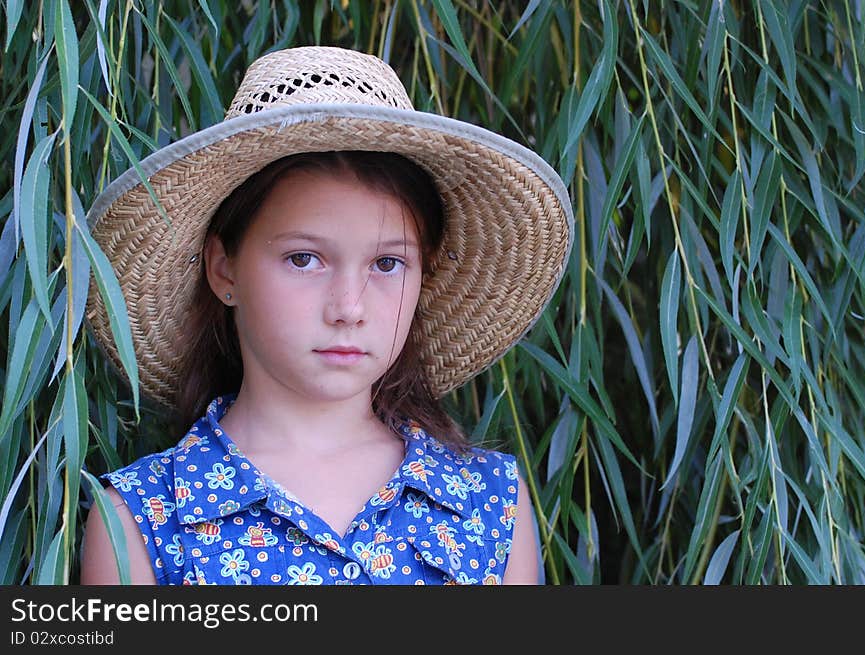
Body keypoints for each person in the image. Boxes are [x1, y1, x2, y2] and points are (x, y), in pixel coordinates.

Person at [80, 46, 572, 585]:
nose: (349, 308)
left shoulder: (490, 505)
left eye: (387, 263)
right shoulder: (141, 521)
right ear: (224, 271)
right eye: (304, 259)